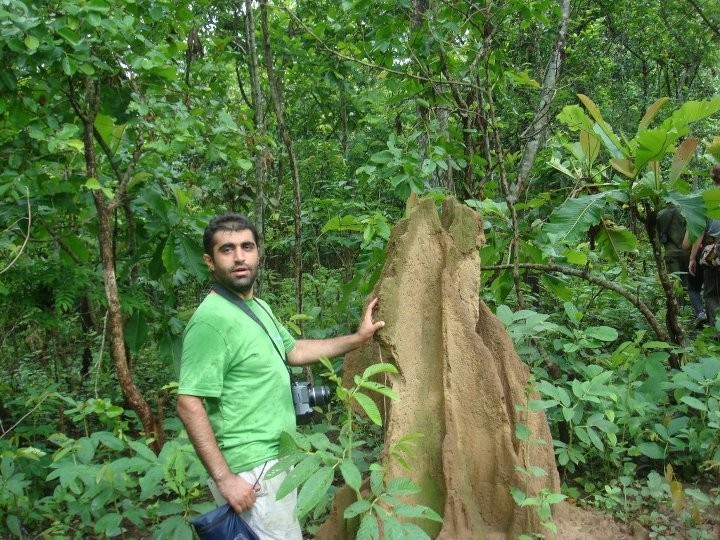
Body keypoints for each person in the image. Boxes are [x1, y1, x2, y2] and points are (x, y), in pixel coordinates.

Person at [176, 213, 385, 539]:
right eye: (227, 250)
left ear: (258, 252)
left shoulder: (257, 306)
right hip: (250, 468)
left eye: (247, 246)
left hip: (275, 459)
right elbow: (188, 403)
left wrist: (357, 339)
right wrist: (225, 479)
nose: (240, 257)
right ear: (209, 261)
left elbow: (294, 351)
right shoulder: (210, 321)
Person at [655, 203, 705, 325]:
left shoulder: (660, 214)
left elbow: (657, 234)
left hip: (670, 252)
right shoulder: (684, 212)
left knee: (675, 281)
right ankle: (692, 309)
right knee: (688, 280)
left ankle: (679, 308)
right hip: (686, 251)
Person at [689, 164, 720, 327]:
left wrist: (692, 258)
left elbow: (699, 232)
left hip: (713, 252)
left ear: (712, 177)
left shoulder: (706, 199)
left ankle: (717, 331)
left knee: (711, 294)